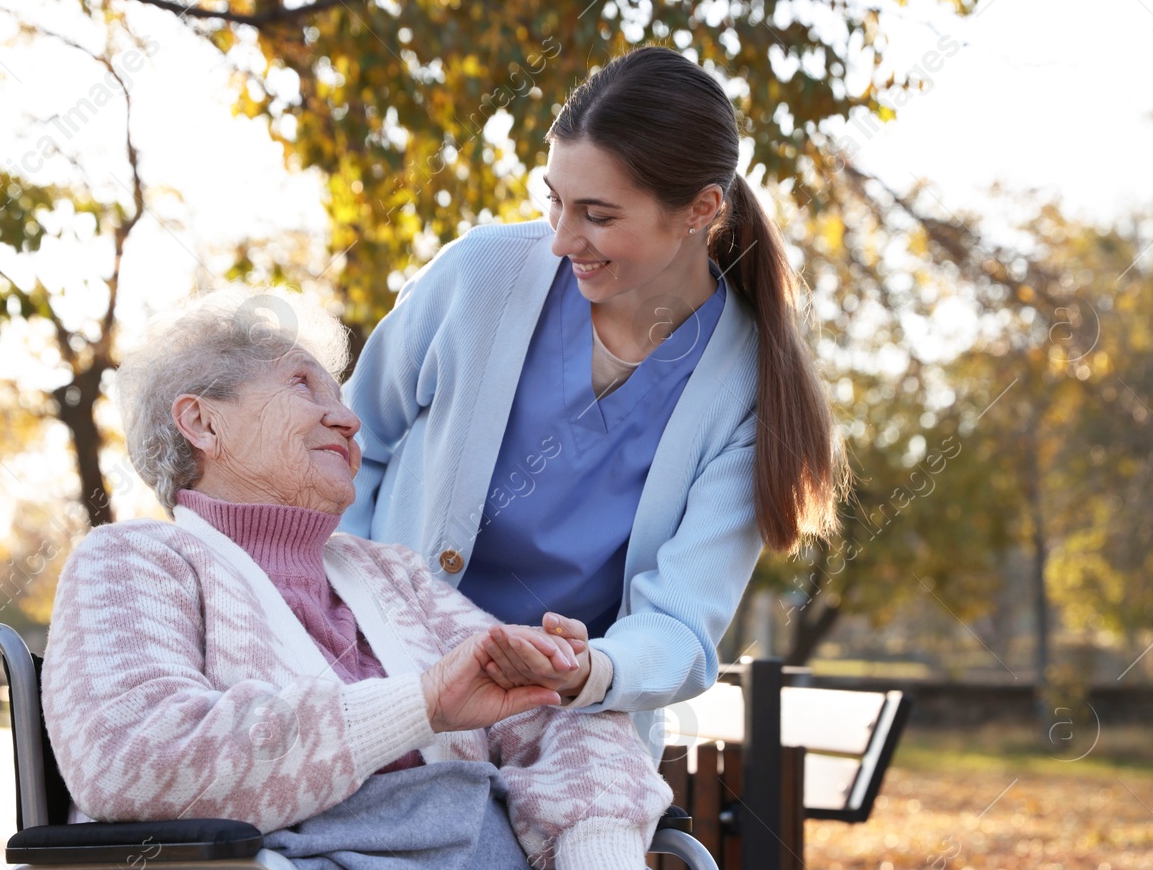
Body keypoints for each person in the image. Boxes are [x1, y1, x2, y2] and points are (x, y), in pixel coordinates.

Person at [39, 286, 816, 870]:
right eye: (303, 386)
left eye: (341, 395)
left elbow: (563, 714)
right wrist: (416, 706)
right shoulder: (134, 560)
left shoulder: (390, 577)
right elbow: (129, 754)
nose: (346, 417)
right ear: (201, 420)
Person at [341, 45, 842, 760]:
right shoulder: (479, 275)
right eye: (554, 199)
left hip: (563, 728)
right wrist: (348, 612)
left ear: (701, 210)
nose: (563, 238)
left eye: (599, 215)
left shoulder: (748, 392)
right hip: (386, 676)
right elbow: (348, 444)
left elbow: (679, 624)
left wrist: (590, 670)